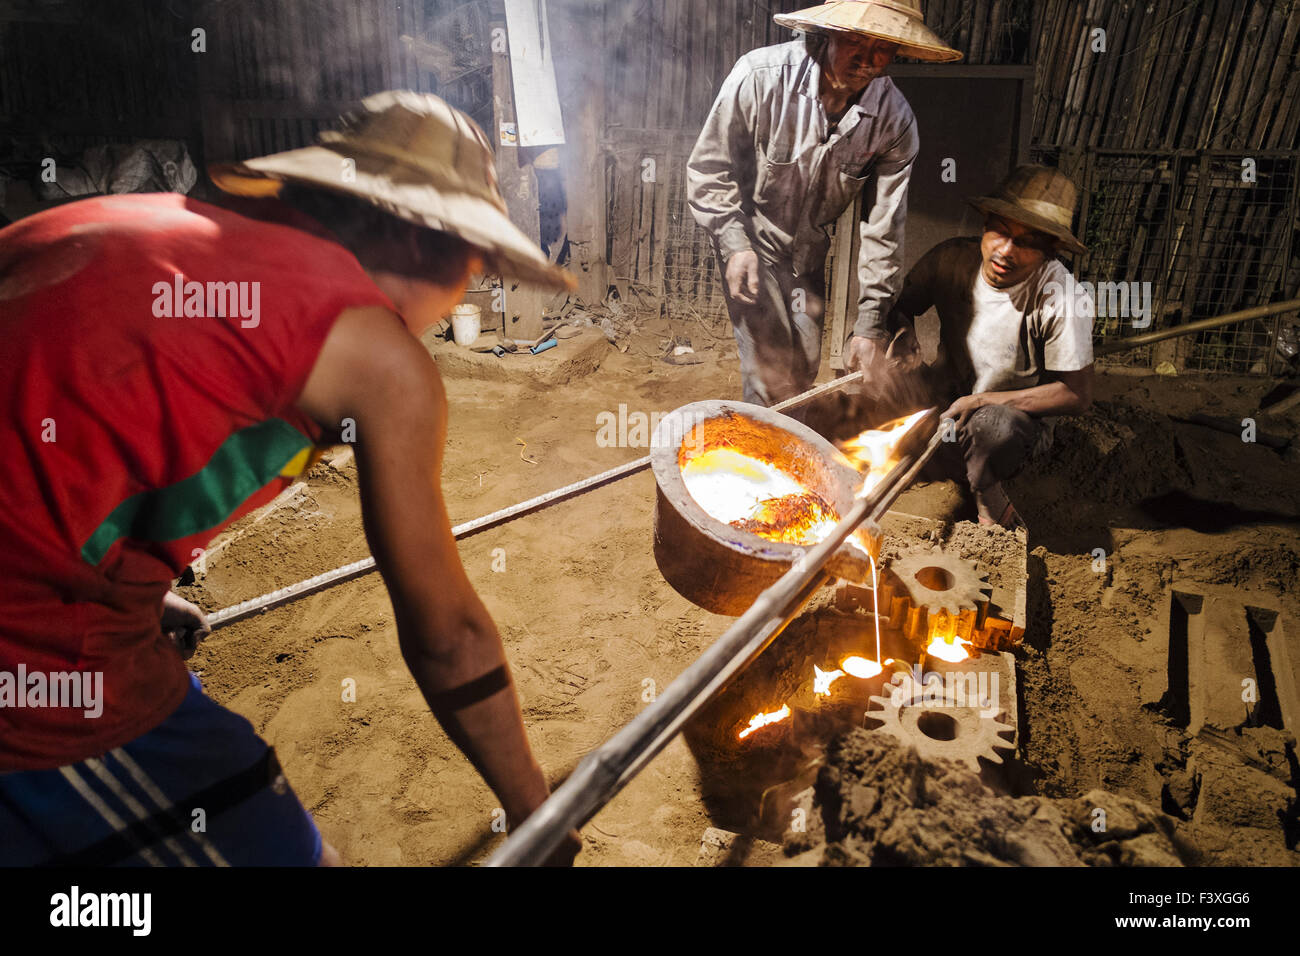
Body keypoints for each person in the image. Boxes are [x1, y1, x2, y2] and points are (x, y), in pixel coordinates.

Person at [0, 91, 579, 866]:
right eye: (473, 264)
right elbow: (449, 636)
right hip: (36, 661)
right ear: (429, 244)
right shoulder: (377, 357)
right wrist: (533, 810)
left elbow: (59, 424)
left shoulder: (131, 222)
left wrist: (138, 583)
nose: (462, 295)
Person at [686, 0, 959, 410]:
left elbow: (883, 228)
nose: (868, 60)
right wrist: (733, 243)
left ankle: (790, 446)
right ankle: (765, 458)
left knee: (805, 366)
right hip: (751, 244)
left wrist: (870, 325)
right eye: (856, 40)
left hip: (809, 257)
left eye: (883, 48)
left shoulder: (894, 121)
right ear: (829, 32)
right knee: (770, 370)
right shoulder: (760, 78)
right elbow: (710, 168)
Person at [879, 165, 1096, 527]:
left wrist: (981, 400)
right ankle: (924, 458)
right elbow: (901, 309)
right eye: (1001, 231)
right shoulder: (950, 259)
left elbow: (1077, 394)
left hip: (1009, 425)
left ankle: (989, 502)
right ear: (985, 224)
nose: (1006, 251)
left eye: (1027, 242)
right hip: (942, 406)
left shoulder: (1062, 297)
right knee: (876, 377)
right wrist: (904, 336)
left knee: (991, 426)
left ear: (1050, 251)